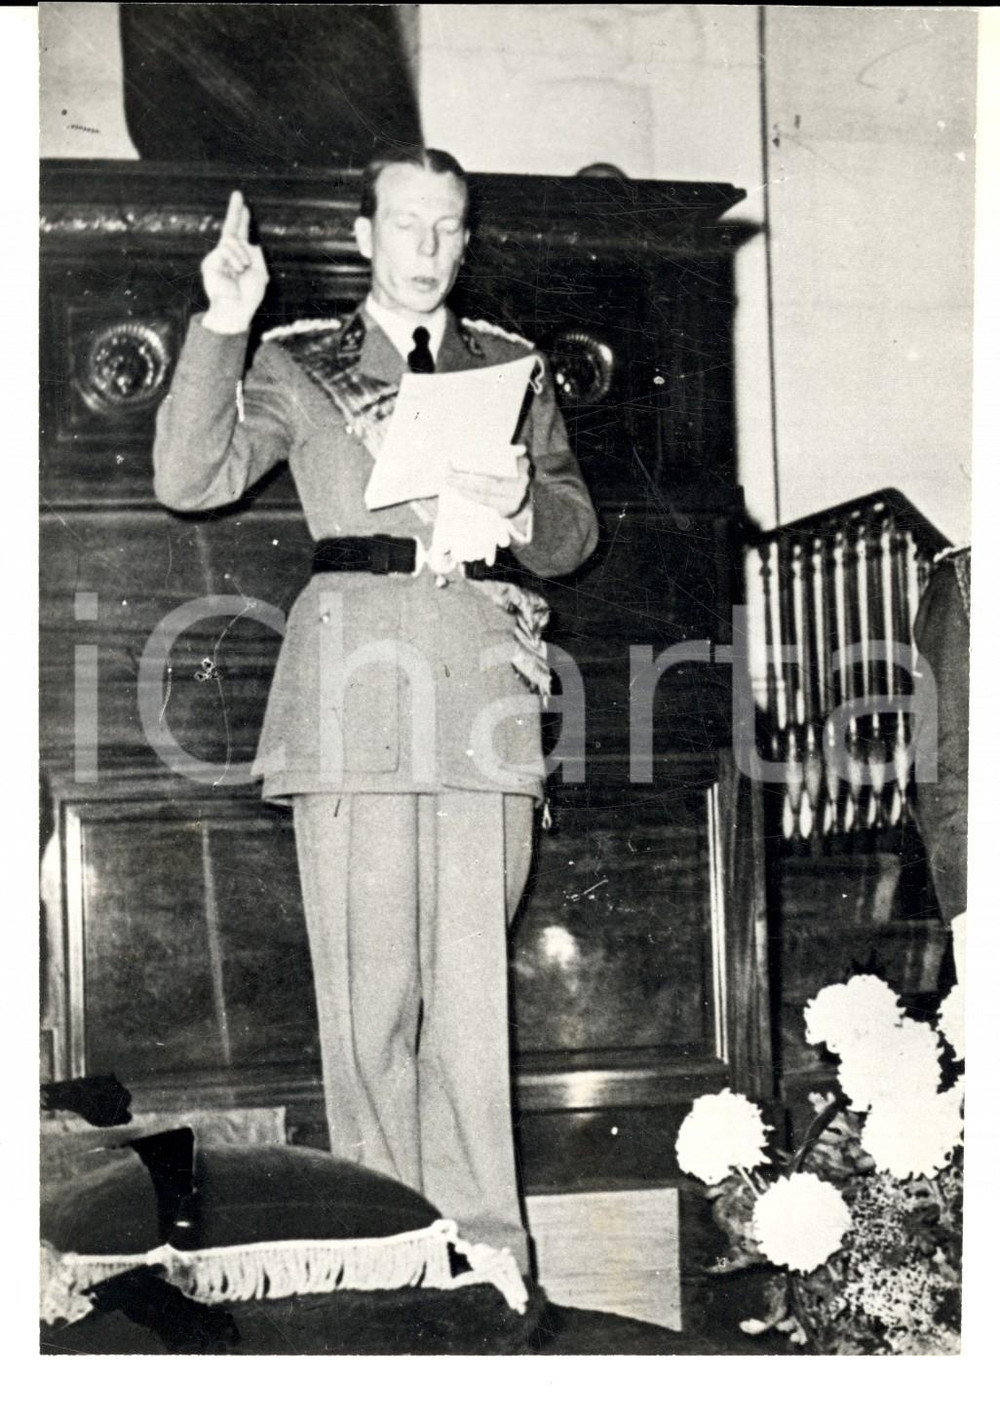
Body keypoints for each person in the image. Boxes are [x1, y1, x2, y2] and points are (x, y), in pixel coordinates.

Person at [153, 148, 598, 1273]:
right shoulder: (300, 361)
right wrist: (223, 323)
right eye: (406, 223)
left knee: (471, 1001)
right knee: (370, 996)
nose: (427, 247)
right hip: (353, 690)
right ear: (364, 235)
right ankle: (393, 1248)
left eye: (447, 226)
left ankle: (488, 1256)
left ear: (466, 237)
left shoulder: (512, 366)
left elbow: (572, 535)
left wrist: (523, 503)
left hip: (481, 692)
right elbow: (191, 479)